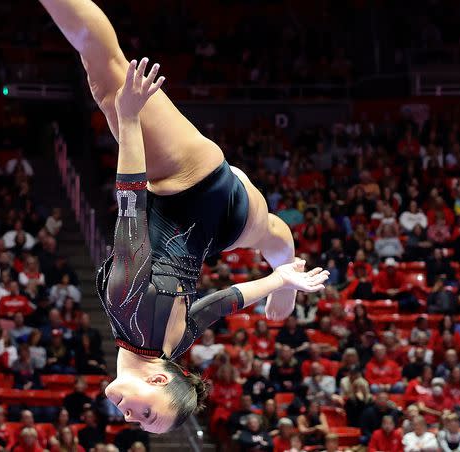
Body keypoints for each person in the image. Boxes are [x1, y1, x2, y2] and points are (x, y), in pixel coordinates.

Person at [82, 56, 327, 433]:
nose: (129, 417)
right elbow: (130, 202)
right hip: (192, 188)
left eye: (138, 421)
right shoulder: (128, 313)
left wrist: (279, 281)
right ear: (159, 380)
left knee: (274, 233)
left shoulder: (171, 349)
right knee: (103, 75)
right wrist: (129, 118)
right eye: (147, 414)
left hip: (223, 227)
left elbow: (223, 302)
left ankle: (286, 263)